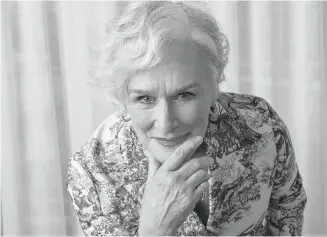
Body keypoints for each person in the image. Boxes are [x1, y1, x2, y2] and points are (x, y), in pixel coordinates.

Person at [66, 1, 307, 236]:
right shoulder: (92, 172)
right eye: (144, 99)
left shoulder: (260, 123)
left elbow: (288, 207)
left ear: (213, 89)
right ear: (123, 100)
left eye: (184, 95)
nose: (166, 122)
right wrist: (155, 230)